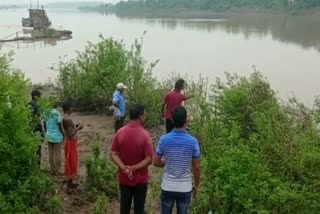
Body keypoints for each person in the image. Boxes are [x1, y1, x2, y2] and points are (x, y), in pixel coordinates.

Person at [154, 106, 201, 214]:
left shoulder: (164, 139)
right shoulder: (193, 141)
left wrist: (166, 163)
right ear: (186, 120)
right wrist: (197, 186)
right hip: (185, 188)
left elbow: (155, 162)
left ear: (172, 120)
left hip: (167, 186)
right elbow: (197, 167)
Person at [110, 104, 153, 214]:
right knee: (139, 209)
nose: (146, 116)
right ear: (140, 117)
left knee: (124, 208)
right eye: (145, 115)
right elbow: (149, 159)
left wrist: (124, 168)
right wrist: (133, 168)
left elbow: (113, 153)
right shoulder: (145, 135)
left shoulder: (120, 132)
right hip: (141, 180)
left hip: (124, 178)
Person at [62, 101, 83, 193]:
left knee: (71, 161)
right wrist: (78, 128)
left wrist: (75, 127)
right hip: (70, 142)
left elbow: (69, 130)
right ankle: (68, 187)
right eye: (71, 107)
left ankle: (70, 183)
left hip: (70, 142)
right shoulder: (67, 119)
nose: (72, 109)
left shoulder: (66, 118)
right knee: (71, 162)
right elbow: (70, 134)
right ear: (69, 108)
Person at [43, 102, 64, 175]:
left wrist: (46, 132)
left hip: (49, 135)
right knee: (57, 153)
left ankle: (52, 169)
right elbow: (59, 125)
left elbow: (44, 123)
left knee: (50, 153)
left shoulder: (46, 113)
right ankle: (58, 170)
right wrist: (63, 134)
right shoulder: (57, 113)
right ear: (56, 105)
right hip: (56, 136)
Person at [29, 89, 44, 165]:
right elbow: (39, 120)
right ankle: (37, 167)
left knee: (31, 148)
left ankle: (32, 165)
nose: (40, 98)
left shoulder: (27, 105)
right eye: (39, 96)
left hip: (29, 130)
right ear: (35, 96)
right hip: (36, 130)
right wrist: (42, 132)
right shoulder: (37, 106)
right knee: (38, 148)